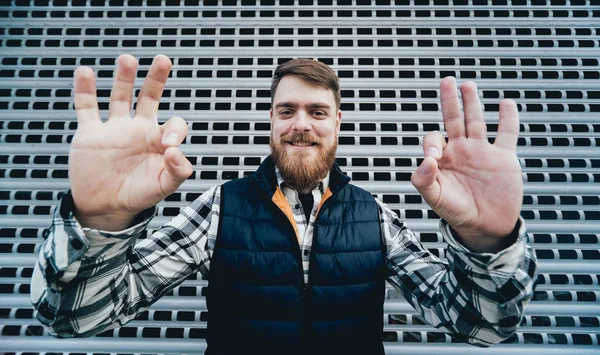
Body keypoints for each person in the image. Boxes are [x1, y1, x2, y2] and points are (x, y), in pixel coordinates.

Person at [31, 54, 538, 355]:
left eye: (318, 111)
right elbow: (77, 319)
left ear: (338, 125)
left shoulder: (375, 216)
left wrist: (486, 241)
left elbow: (483, 325)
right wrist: (98, 222)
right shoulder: (219, 208)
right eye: (287, 110)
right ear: (271, 123)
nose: (302, 123)